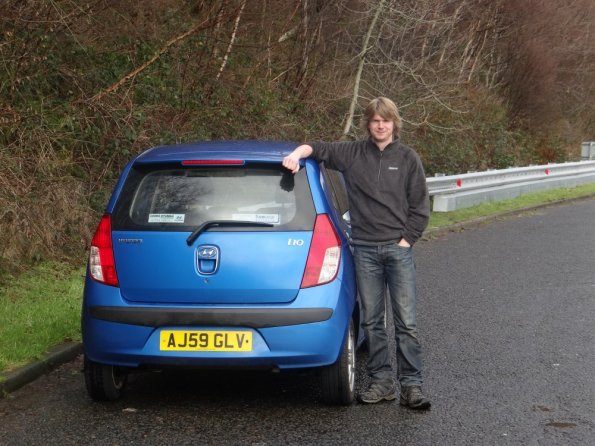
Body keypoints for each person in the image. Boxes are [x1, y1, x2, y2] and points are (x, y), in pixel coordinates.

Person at [282, 97, 431, 409]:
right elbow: (317, 148)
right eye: (376, 120)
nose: (380, 125)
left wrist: (406, 240)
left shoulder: (407, 158)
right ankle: (382, 382)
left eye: (386, 120)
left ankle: (413, 386)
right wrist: (296, 154)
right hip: (364, 250)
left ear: (394, 124)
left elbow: (420, 206)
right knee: (373, 322)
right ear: (368, 123)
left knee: (407, 322)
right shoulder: (351, 154)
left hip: (397, 249)